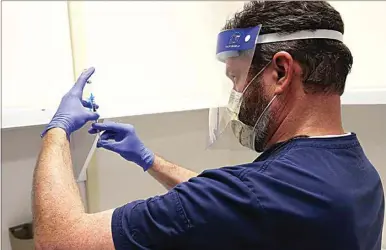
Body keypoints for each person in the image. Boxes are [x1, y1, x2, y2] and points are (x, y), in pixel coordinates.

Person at [32, 1, 384, 250]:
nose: (235, 92)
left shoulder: (257, 193)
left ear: (280, 72)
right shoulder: (360, 174)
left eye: (237, 77)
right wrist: (149, 160)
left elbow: (61, 239)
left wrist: (57, 129)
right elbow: (230, 201)